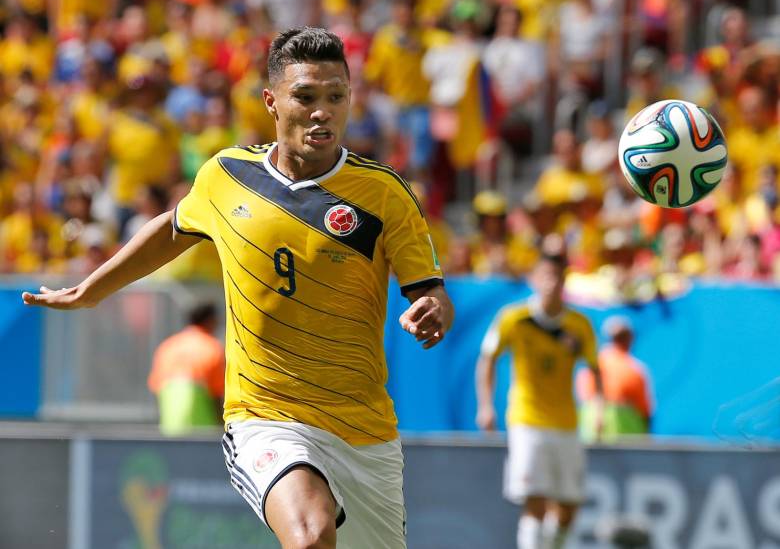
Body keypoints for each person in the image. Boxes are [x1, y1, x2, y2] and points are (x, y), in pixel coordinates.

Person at [23, 27, 454, 549]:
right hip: (265, 417)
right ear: (272, 102)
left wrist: (430, 310)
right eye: (306, 97)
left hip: (364, 433)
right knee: (311, 535)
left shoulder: (385, 194)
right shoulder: (228, 176)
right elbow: (173, 228)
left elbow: (430, 292)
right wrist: (91, 289)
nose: (323, 111)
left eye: (336, 97)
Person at [475, 245, 601, 549]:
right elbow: (487, 358)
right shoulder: (513, 319)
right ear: (534, 279)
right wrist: (486, 405)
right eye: (546, 276)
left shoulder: (579, 326)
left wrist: (597, 408)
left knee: (568, 506)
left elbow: (595, 370)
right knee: (536, 501)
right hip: (527, 419)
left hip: (566, 422)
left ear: (565, 281)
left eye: (557, 277)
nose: (552, 283)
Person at [147, 302, 226, 436]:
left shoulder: (167, 346)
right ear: (210, 320)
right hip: (204, 432)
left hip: (169, 428)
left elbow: (156, 387)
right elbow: (217, 394)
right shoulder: (212, 347)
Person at [577, 316, 654, 442]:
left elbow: (583, 396)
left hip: (591, 434)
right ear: (630, 339)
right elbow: (645, 411)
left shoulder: (592, 365)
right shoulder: (634, 369)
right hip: (626, 437)